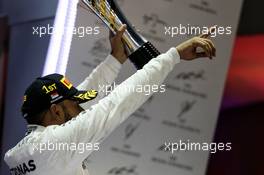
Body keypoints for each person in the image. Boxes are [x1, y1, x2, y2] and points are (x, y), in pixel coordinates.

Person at [4, 24, 216, 175]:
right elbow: (117, 103)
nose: (82, 111)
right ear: (56, 112)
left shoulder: (32, 149)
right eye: (76, 105)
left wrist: (115, 59)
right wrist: (174, 55)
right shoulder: (55, 144)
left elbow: (88, 98)